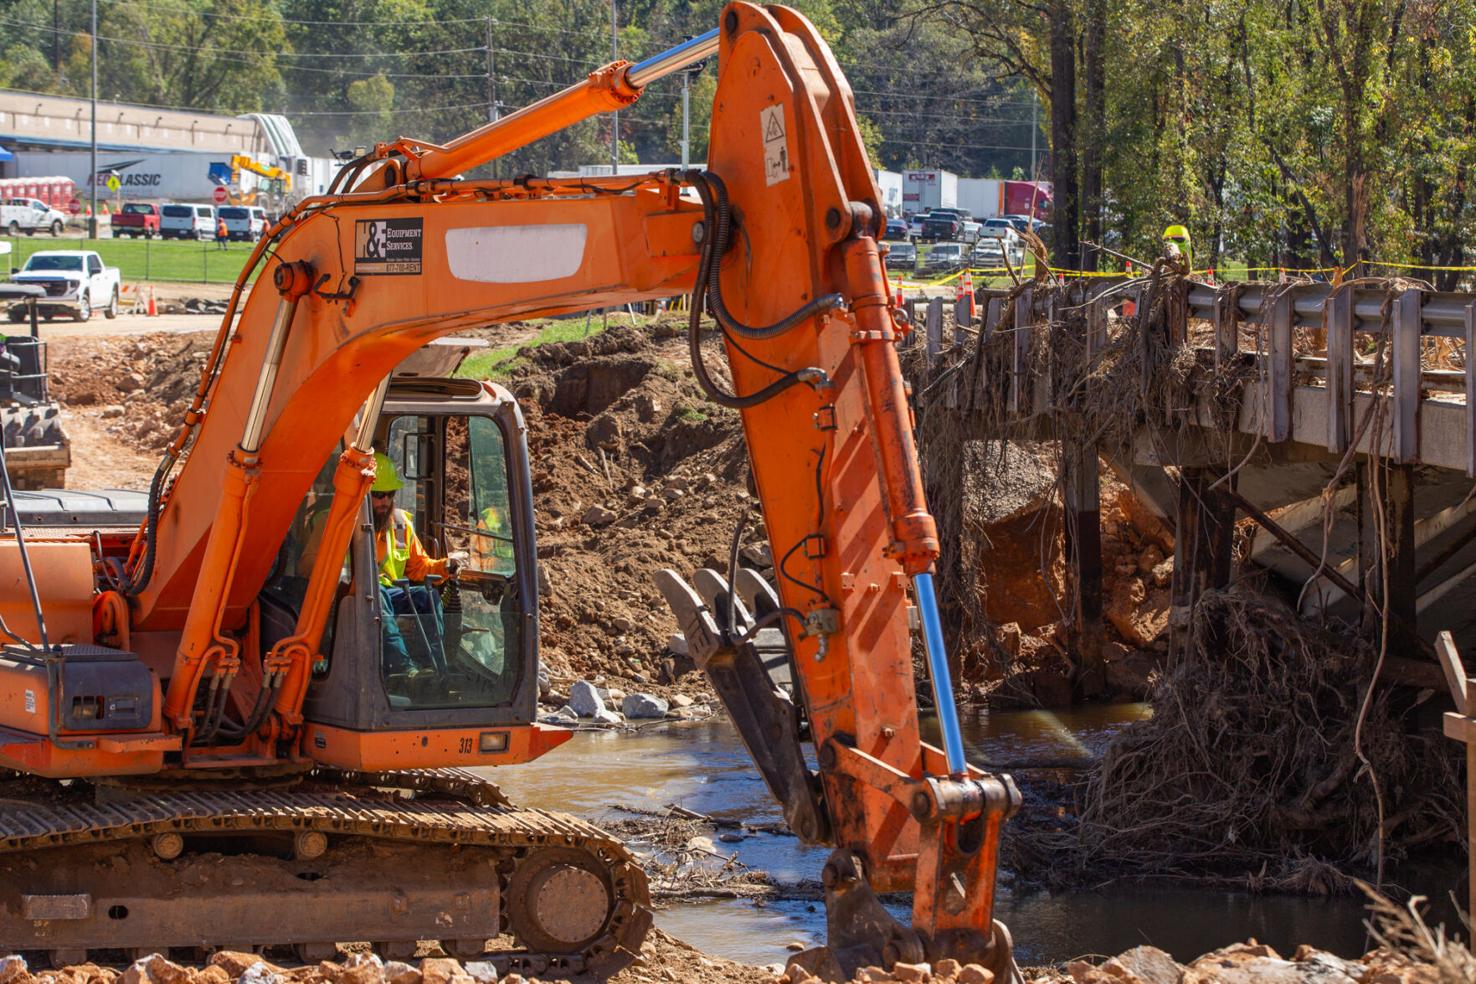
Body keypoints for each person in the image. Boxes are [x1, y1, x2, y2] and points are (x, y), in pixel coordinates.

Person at [371, 452, 459, 673]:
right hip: (361, 594)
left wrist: (445, 566)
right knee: (377, 594)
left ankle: (436, 669)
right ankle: (405, 670)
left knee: (426, 596)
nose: (386, 502)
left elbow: (419, 567)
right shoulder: (348, 525)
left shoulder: (400, 524)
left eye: (390, 494)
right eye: (379, 495)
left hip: (391, 592)